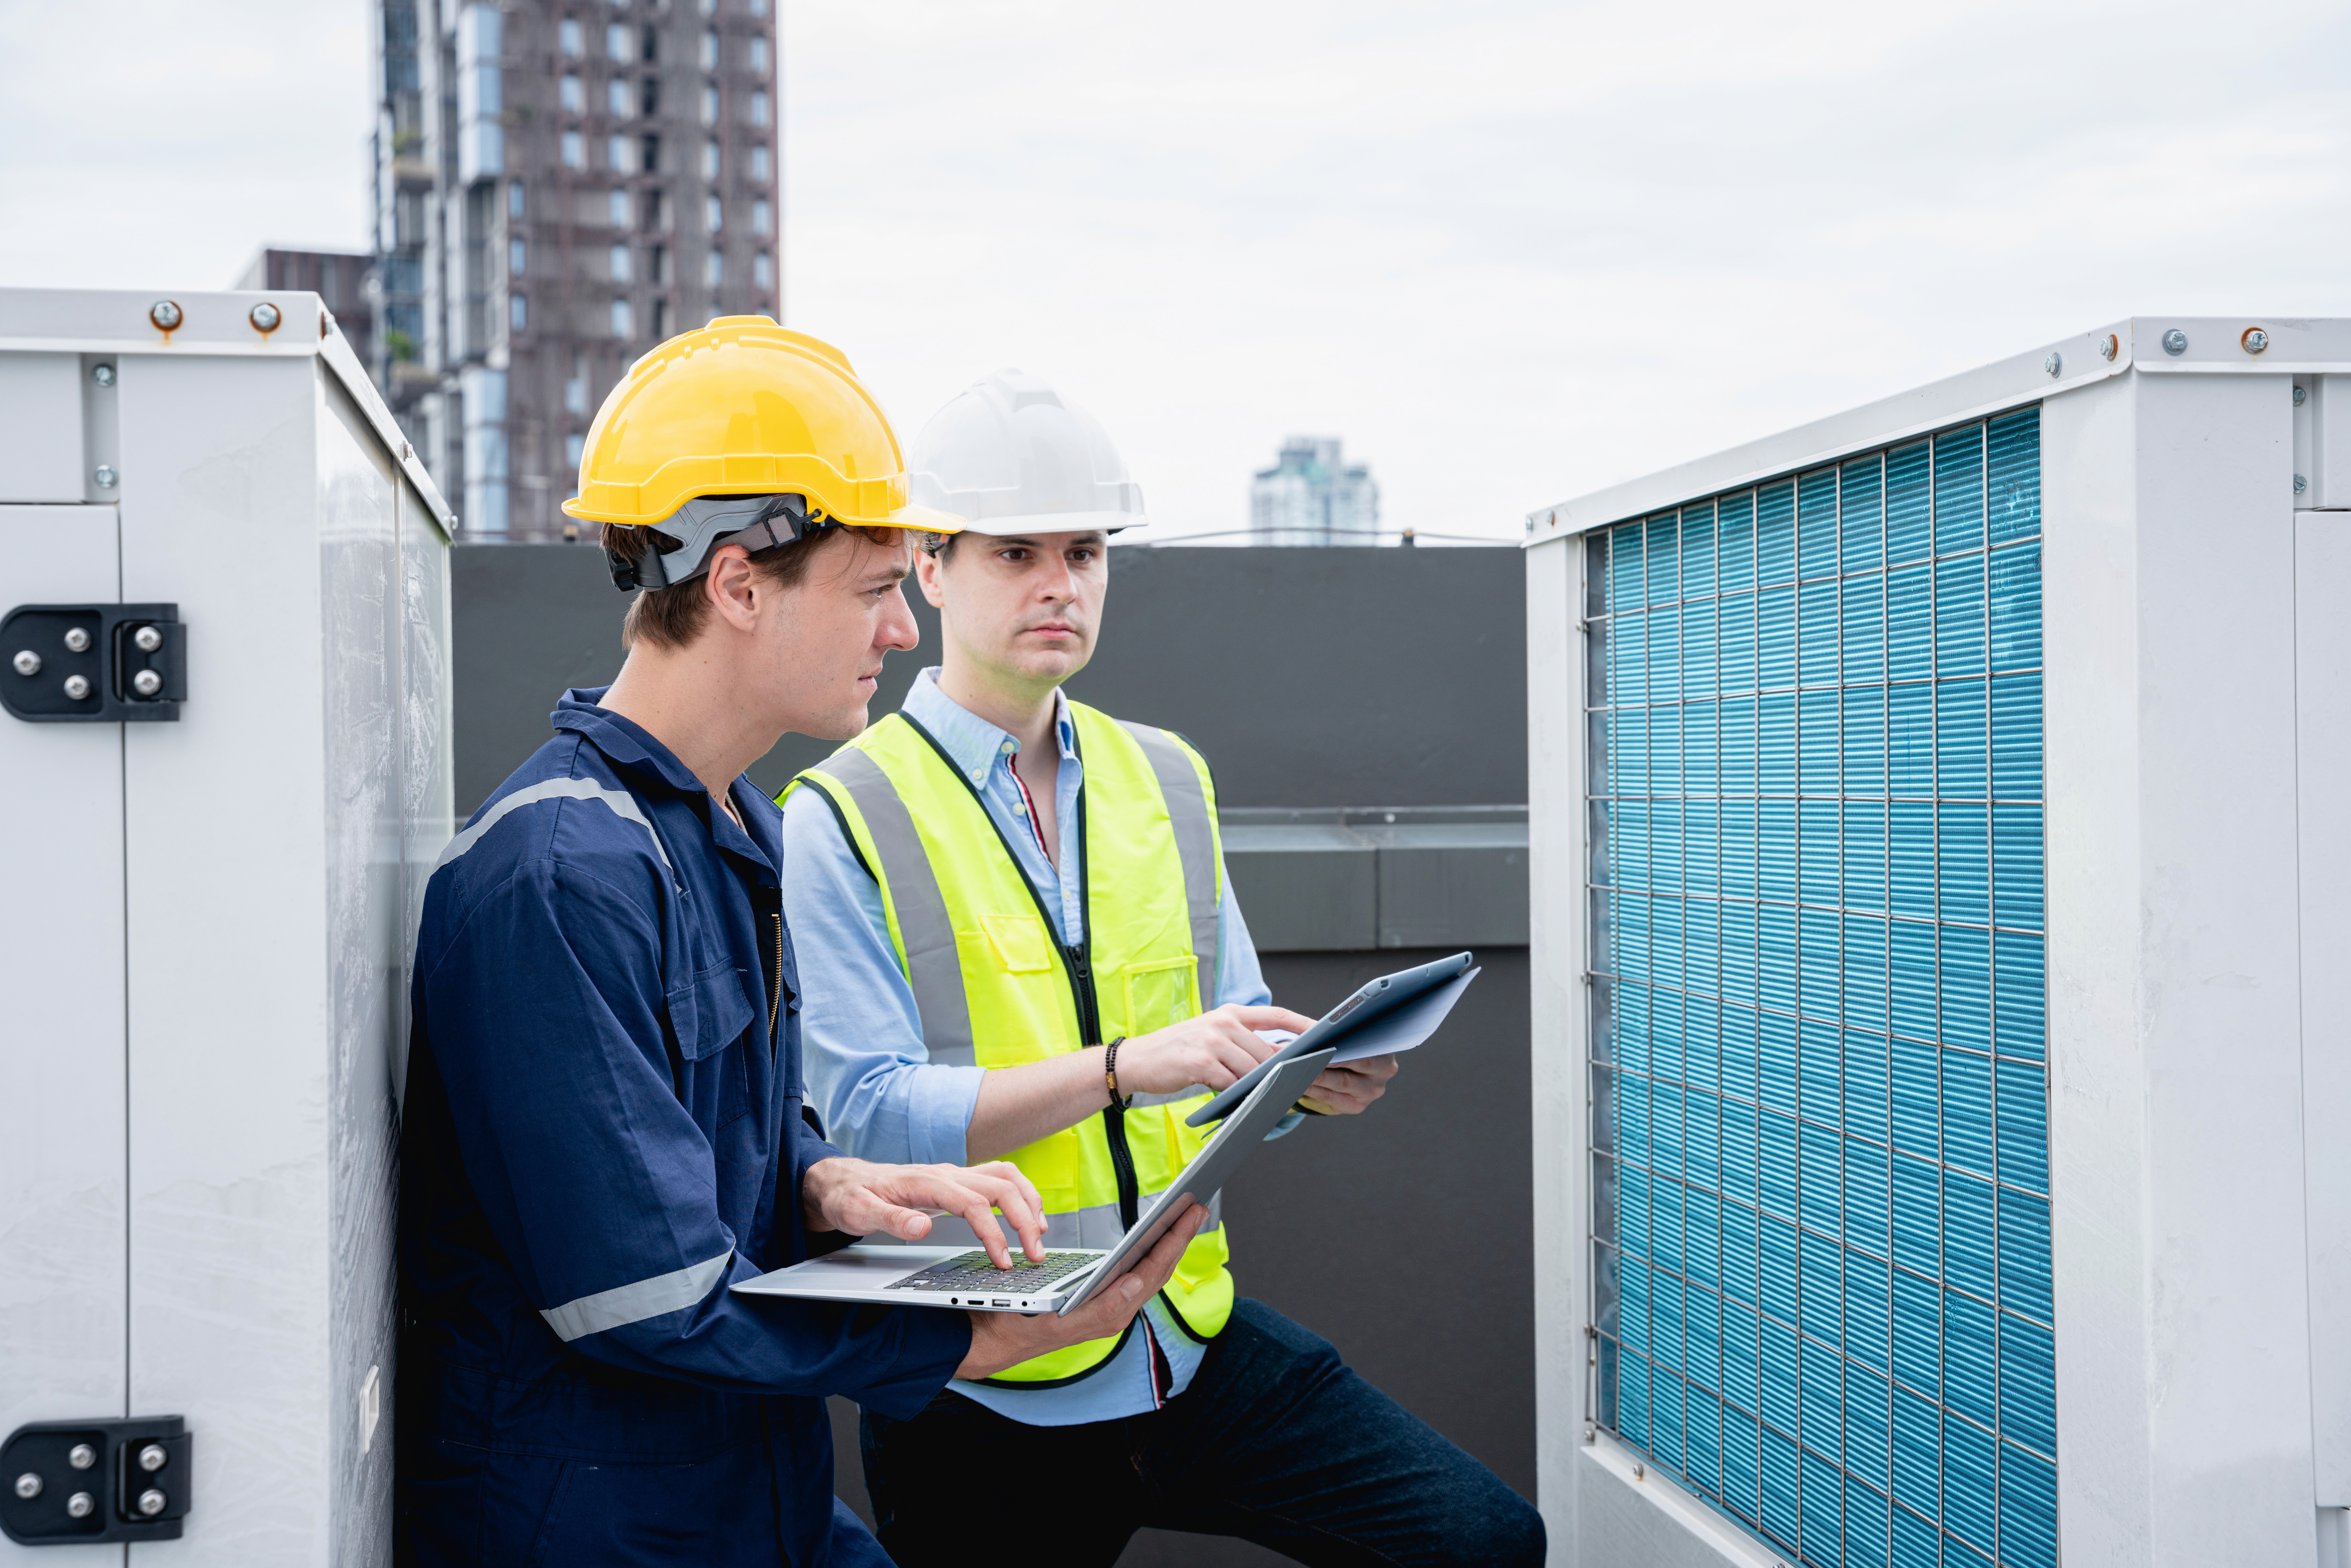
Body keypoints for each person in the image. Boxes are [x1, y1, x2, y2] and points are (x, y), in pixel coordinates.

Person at [394, 324, 1206, 1568]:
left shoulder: (731, 829)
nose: (899, 633)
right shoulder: (556, 879)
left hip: (742, 1490)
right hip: (599, 1527)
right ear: (735, 584)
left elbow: (713, 1141)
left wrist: (824, 1183)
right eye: (877, 591)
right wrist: (968, 1342)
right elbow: (644, 1296)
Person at [777, 368, 1546, 1565]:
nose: (1059, 584)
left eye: (1084, 552)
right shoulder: (842, 810)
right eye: (1015, 552)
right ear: (928, 567)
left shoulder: (1165, 778)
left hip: (1185, 1339)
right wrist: (1129, 1067)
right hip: (983, 1392)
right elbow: (866, 1109)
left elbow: (1225, 1035)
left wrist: (1292, 1080)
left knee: (1482, 1542)